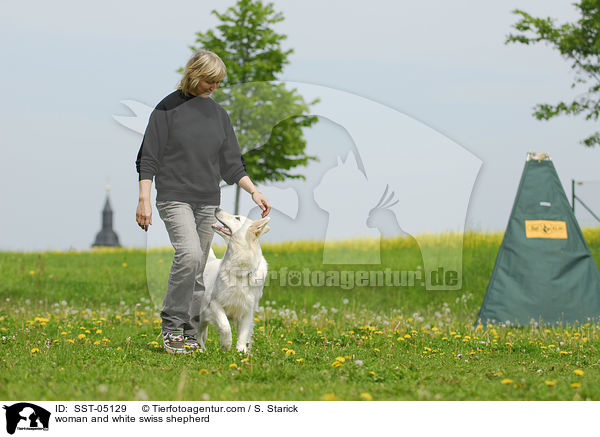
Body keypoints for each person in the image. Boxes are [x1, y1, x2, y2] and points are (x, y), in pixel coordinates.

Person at [135, 49, 271, 354]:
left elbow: (232, 163)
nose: (214, 87)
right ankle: (172, 327)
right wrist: (144, 199)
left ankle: (191, 335)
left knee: (199, 265)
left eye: (219, 82)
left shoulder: (218, 115)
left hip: (208, 200)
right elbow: (148, 158)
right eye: (210, 80)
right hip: (174, 198)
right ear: (194, 74)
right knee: (191, 255)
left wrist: (253, 190)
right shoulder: (166, 110)